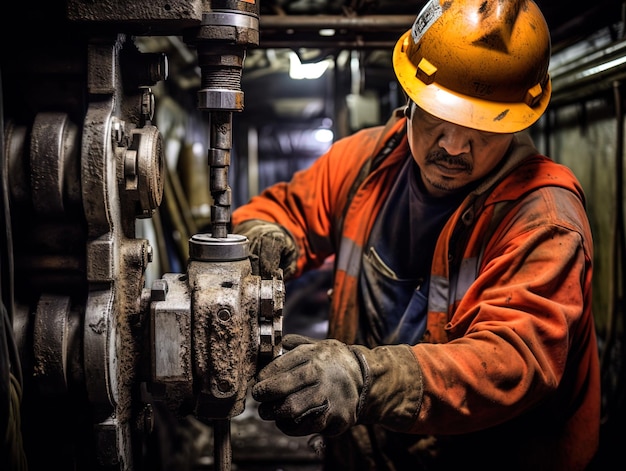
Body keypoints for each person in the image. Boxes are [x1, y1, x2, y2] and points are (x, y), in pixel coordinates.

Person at [231, 0, 601, 469]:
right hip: (367, 453)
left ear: (519, 122)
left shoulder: (545, 218)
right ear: (409, 98)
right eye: (435, 117)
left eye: (481, 131)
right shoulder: (370, 161)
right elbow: (286, 208)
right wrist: (267, 233)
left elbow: (512, 358)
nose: (452, 146)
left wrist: (365, 380)